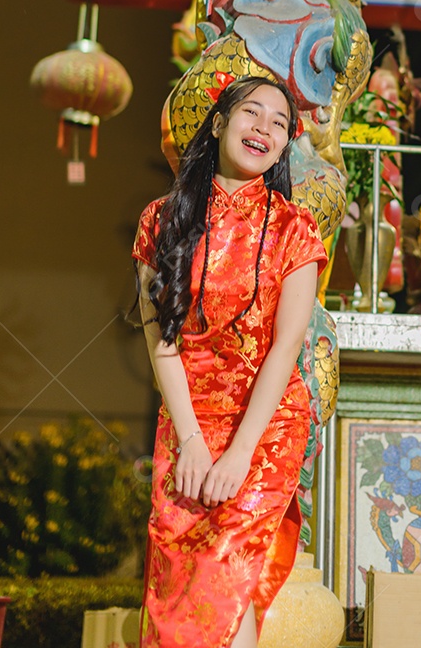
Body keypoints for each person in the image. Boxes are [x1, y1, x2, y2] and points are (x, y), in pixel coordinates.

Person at [133, 76, 327, 648]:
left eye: (279, 123)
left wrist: (241, 453)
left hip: (264, 429)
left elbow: (286, 346)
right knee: (179, 586)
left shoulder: (296, 228)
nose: (264, 129)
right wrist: (191, 440)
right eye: (252, 113)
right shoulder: (161, 220)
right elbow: (159, 339)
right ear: (219, 123)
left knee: (229, 571)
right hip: (187, 421)